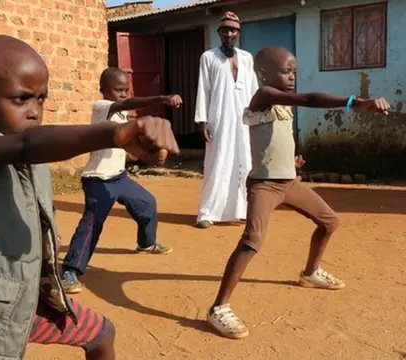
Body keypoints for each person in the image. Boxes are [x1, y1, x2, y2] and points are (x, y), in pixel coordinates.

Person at [0, 35, 180, 360]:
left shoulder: (30, 153)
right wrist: (114, 134)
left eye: (41, 99)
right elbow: (28, 145)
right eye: (21, 99)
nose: (35, 112)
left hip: (18, 307)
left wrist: (141, 149)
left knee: (102, 333)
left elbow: (33, 146)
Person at [206, 46, 390, 339]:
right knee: (252, 241)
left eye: (294, 71)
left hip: (289, 182)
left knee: (329, 222)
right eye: (286, 71)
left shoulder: (281, 103)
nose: (292, 76)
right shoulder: (264, 95)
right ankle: (219, 308)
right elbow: (308, 99)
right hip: (265, 185)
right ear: (263, 73)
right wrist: (356, 101)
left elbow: (271, 138)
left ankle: (310, 273)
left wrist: (289, 160)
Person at [60, 67, 181, 294]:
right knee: (92, 224)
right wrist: (160, 98)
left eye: (126, 89)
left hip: (119, 177)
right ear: (103, 90)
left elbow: (129, 149)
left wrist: (151, 157)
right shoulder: (102, 107)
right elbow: (127, 104)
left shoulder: (123, 118)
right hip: (98, 180)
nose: (124, 94)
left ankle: (146, 243)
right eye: (119, 90)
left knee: (147, 203)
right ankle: (70, 271)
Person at [194, 11, 259, 229]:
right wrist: (202, 120)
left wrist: (258, 117)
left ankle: (240, 210)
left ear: (238, 33)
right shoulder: (208, 57)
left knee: (245, 163)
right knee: (217, 162)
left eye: (233, 30)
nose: (229, 34)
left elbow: (253, 90)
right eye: (225, 30)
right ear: (219, 33)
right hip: (219, 119)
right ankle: (206, 212)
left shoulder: (247, 58)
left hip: (243, 120)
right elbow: (203, 89)